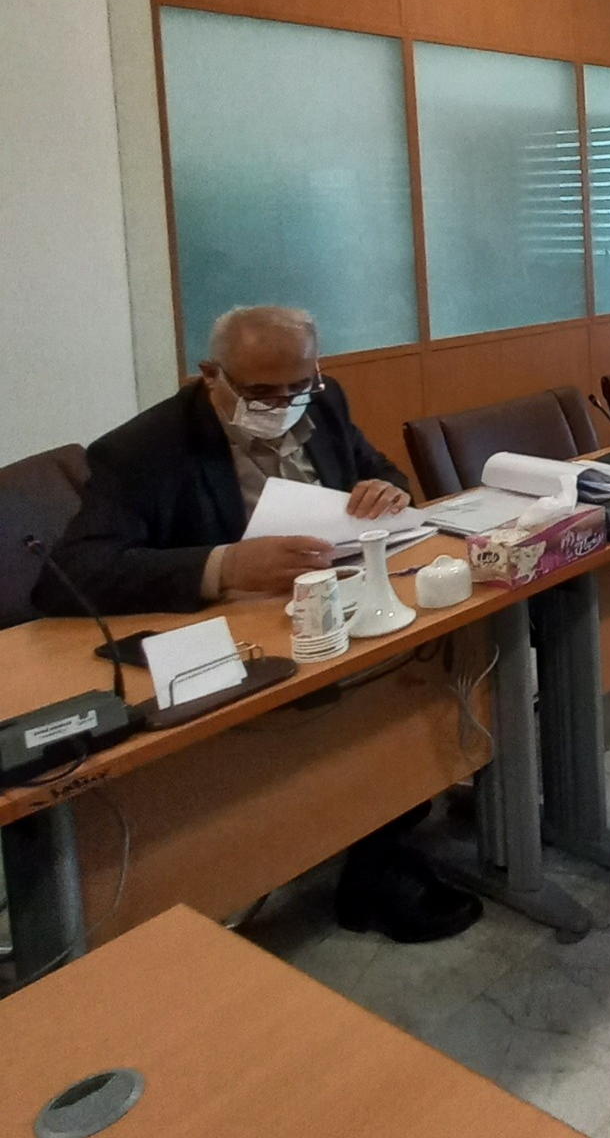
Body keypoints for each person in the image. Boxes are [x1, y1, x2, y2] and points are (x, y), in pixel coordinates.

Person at [34, 305, 483, 945]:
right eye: (261, 393)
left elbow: (380, 471)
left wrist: (386, 491)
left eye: (299, 385)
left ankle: (392, 826)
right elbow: (69, 574)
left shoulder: (323, 401)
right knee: (355, 708)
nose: (285, 405)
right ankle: (367, 857)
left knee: (423, 667)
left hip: (339, 604)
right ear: (210, 374)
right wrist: (223, 564)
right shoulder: (143, 449)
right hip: (237, 633)